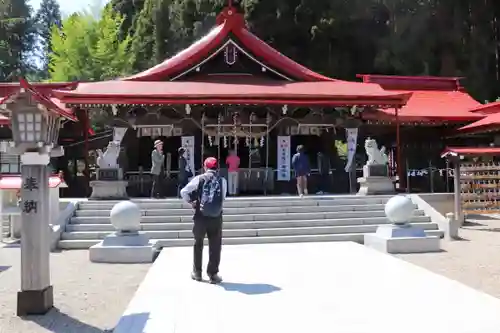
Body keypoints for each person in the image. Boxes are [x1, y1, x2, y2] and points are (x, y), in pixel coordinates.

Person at [180, 157, 227, 284]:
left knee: (198, 244)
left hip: (200, 216)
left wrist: (192, 202)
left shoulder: (199, 178)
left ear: (205, 167)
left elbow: (183, 192)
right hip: (216, 217)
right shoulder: (222, 180)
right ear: (217, 168)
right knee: (215, 245)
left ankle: (197, 273)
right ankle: (213, 274)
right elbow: (223, 198)